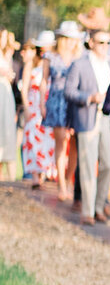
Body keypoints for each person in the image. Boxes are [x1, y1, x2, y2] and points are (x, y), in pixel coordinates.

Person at [64, 23, 110, 223]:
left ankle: (99, 205)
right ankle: (87, 211)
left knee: (106, 164)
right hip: (87, 117)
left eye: (107, 42)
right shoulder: (80, 64)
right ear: (91, 43)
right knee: (87, 164)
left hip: (106, 118)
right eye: (101, 42)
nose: (104, 46)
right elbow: (69, 91)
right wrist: (90, 97)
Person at [47, 21, 82, 202]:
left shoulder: (79, 58)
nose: (69, 42)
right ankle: (61, 182)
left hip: (73, 102)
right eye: (66, 38)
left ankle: (69, 179)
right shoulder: (52, 57)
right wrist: (41, 105)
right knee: (60, 144)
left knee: (74, 144)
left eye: (72, 38)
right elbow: (45, 81)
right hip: (56, 101)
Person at [20, 32, 55, 186]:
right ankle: (35, 175)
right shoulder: (31, 64)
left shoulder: (52, 63)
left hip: (47, 104)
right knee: (33, 138)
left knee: (46, 140)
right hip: (34, 105)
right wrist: (26, 107)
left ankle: (43, 173)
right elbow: (24, 88)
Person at [0, 29, 19, 180]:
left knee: (6, 130)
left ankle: (8, 177)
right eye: (3, 37)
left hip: (6, 93)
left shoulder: (6, 54)